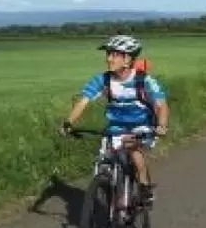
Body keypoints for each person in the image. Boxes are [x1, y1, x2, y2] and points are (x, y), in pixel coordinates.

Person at [60, 34, 170, 208]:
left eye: (114, 54)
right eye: (108, 54)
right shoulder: (102, 80)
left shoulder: (144, 80)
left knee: (132, 148)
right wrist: (68, 123)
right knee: (105, 154)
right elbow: (83, 101)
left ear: (127, 59)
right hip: (116, 126)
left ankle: (143, 186)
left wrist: (162, 126)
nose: (108, 59)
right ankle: (108, 188)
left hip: (142, 125)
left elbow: (161, 105)